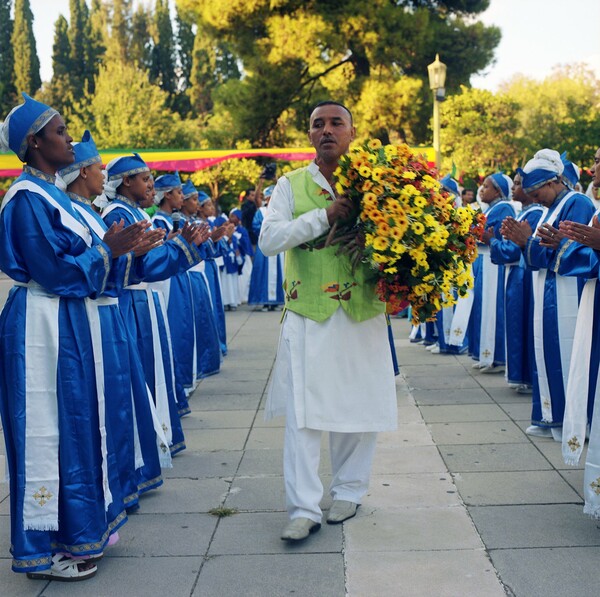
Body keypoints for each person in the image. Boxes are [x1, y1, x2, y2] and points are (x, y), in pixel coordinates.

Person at [0, 94, 148, 580]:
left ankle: (81, 528)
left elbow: (91, 262)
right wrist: (106, 248)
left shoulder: (58, 196)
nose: (69, 138)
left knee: (78, 426)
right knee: (48, 429)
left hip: (69, 323)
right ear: (34, 142)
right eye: (60, 131)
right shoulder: (26, 199)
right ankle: (47, 545)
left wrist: (124, 251)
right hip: (43, 325)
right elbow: (53, 271)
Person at [260, 101, 397, 542]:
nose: (327, 130)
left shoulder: (381, 183)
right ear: (310, 135)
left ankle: (349, 491)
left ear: (353, 132)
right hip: (309, 314)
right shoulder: (290, 184)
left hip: (362, 310)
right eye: (318, 124)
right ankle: (303, 506)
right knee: (303, 414)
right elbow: (269, 240)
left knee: (357, 404)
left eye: (336, 123)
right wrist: (324, 216)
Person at [56, 130, 166, 514]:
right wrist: (120, 253)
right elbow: (67, 268)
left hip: (111, 305)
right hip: (101, 308)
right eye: (98, 167)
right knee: (109, 402)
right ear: (81, 172)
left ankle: (126, 481)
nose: (103, 174)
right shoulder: (112, 213)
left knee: (123, 398)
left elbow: (123, 261)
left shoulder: (89, 210)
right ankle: (112, 488)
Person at [502, 148, 595, 440]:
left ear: (555, 181)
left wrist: (526, 242)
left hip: (569, 289)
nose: (532, 196)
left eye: (536, 189)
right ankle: (551, 416)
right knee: (546, 349)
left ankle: (571, 421)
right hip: (549, 288)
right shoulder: (551, 207)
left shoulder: (576, 202)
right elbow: (546, 249)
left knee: (565, 351)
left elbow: (570, 252)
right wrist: (525, 243)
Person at [489, 173, 544, 392]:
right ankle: (522, 375)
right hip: (518, 276)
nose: (514, 187)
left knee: (523, 324)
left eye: (519, 183)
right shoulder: (527, 212)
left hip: (525, 278)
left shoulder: (534, 213)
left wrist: (490, 241)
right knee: (517, 324)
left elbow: (513, 251)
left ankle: (527, 376)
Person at [471, 173, 515, 373]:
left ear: (498, 190)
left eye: (487, 186)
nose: (482, 189)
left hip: (494, 263)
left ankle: (497, 356)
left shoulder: (503, 208)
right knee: (483, 306)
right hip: (484, 261)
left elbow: (493, 234)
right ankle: (486, 353)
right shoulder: (491, 208)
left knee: (493, 308)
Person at [180, 181, 222, 378]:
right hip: (188, 276)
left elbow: (207, 251)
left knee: (205, 318)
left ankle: (206, 360)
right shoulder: (172, 221)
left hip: (200, 272)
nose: (196, 204)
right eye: (194, 199)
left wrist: (213, 240)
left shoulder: (190, 221)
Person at [248, 185, 285, 311]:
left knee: (280, 271)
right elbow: (255, 226)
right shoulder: (261, 212)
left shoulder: (282, 211)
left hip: (279, 246)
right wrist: (268, 231)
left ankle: (277, 300)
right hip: (265, 245)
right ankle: (264, 301)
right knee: (263, 271)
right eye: (269, 198)